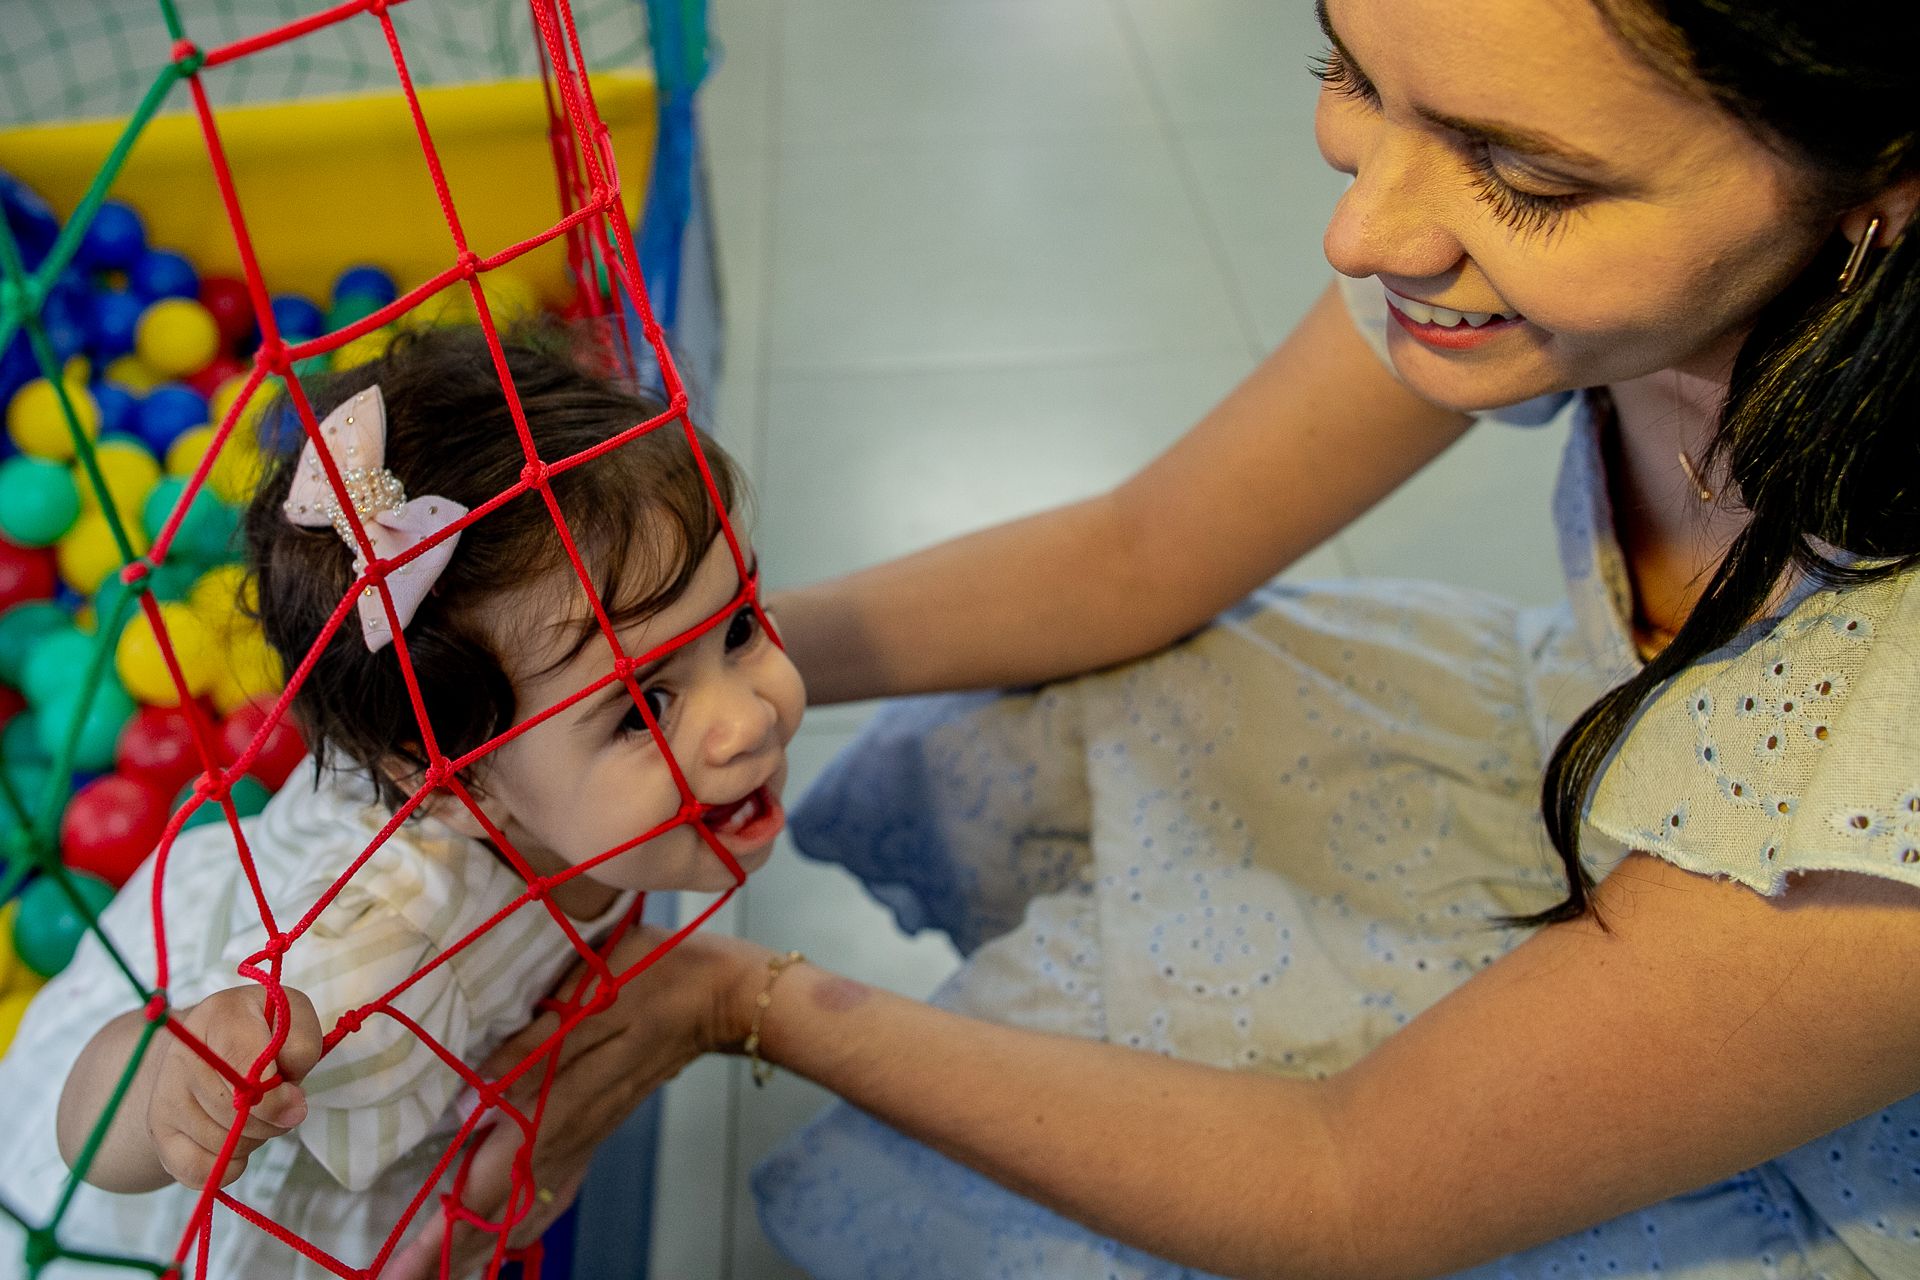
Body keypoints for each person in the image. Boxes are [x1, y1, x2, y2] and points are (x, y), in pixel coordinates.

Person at [379, 1, 1920, 1277]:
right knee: (1050, 728)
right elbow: (1142, 552)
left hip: (1793, 1150)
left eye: (1523, 176)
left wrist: (743, 998)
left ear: (1877, 186)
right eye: (1351, 75)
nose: (1364, 230)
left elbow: (1342, 1188)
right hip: (1610, 789)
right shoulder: (1596, 266)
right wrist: (701, 650)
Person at [0, 324, 803, 1280]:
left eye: (739, 627)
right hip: (164, 1223)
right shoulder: (377, 956)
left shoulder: (544, 790)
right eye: (643, 709)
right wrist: (186, 1078)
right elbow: (91, 1131)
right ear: (457, 783)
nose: (747, 719)